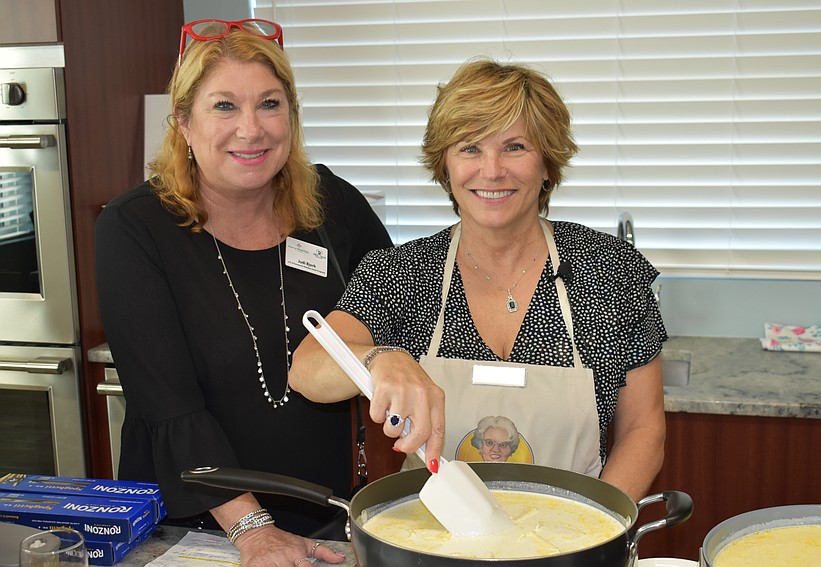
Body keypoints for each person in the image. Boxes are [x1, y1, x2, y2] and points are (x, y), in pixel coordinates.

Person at [290, 57, 666, 502]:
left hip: (575, 536)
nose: (491, 170)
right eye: (470, 147)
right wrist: (377, 359)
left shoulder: (611, 271)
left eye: (515, 147)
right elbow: (306, 368)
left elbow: (644, 429)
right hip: (434, 539)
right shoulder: (402, 273)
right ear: (444, 165)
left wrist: (592, 530)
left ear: (547, 162)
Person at [95, 19, 392, 567]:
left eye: (270, 104)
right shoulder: (133, 228)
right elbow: (167, 406)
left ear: (292, 116)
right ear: (184, 121)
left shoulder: (334, 205)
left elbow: (397, 310)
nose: (251, 129)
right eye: (224, 106)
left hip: (331, 513)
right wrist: (253, 529)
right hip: (199, 529)